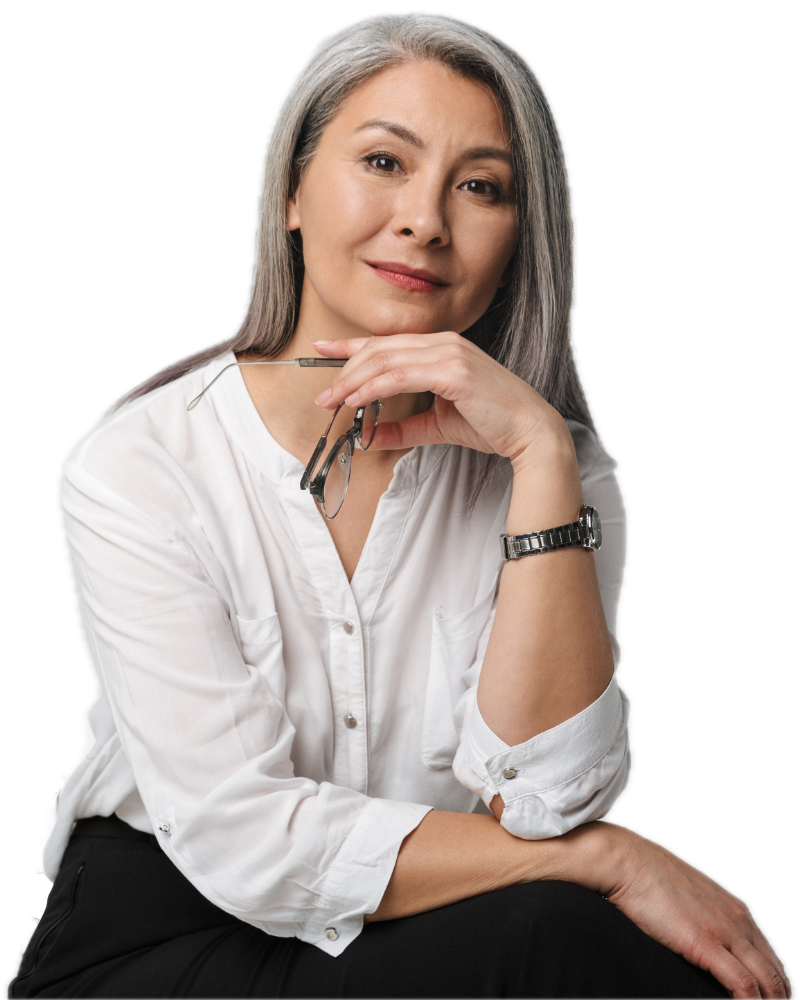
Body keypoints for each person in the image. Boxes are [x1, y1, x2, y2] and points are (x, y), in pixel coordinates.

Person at [12, 11, 791, 1000]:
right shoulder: (139, 462)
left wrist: (539, 455)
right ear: (291, 192)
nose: (425, 220)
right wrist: (612, 859)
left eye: (480, 186)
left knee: (588, 941)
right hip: (156, 948)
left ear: (521, 239)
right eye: (384, 162)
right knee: (565, 933)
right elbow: (248, 839)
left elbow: (546, 802)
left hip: (424, 934)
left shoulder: (559, 472)